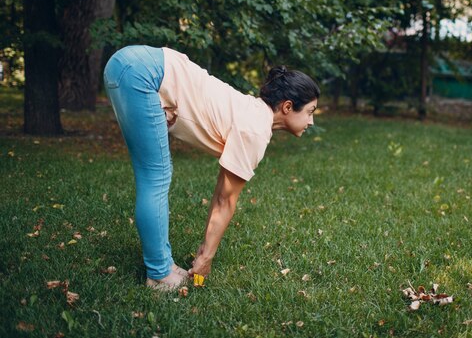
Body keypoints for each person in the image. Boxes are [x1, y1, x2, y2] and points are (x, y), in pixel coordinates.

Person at [103, 45, 320, 291]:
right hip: (143, 71)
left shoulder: (251, 113)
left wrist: (205, 251)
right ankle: (159, 275)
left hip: (129, 63)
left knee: (153, 175)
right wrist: (205, 259)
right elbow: (225, 201)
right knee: (155, 177)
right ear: (288, 107)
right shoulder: (255, 129)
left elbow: (222, 195)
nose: (311, 121)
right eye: (310, 112)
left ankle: (164, 266)